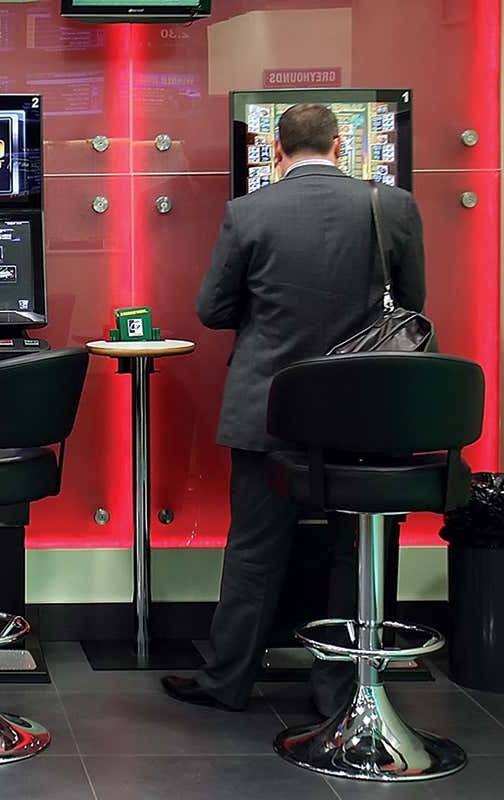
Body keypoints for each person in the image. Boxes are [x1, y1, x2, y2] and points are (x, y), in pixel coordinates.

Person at [162, 103, 426, 716]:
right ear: (341, 146)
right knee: (356, 547)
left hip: (269, 408)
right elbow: (413, 303)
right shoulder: (393, 207)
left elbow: (212, 309)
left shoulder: (249, 211)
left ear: (276, 151)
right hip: (367, 410)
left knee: (255, 549)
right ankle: (342, 689)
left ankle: (229, 681)